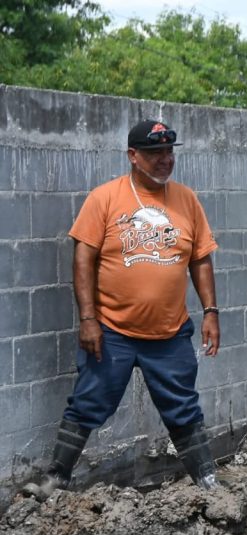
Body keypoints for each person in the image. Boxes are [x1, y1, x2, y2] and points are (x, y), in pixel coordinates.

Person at [24, 119, 221, 500]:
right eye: (154, 153)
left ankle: (208, 480)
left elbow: (200, 258)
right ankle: (56, 478)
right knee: (87, 402)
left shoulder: (187, 200)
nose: (165, 160)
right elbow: (84, 259)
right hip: (111, 331)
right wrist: (88, 318)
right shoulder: (105, 198)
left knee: (183, 406)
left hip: (169, 333)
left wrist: (211, 311)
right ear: (133, 156)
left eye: (169, 152)